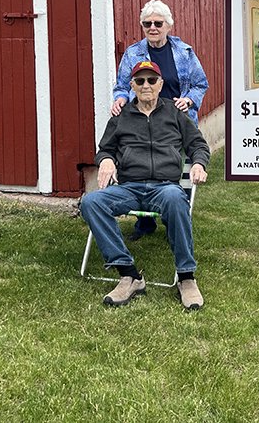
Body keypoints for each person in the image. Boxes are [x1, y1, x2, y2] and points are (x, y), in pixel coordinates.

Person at [81, 61, 210, 310]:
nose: (146, 85)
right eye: (140, 81)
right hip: (128, 187)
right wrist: (106, 160)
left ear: (161, 84)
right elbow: (105, 149)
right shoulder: (122, 117)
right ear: (132, 86)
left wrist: (199, 164)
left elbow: (198, 145)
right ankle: (129, 274)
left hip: (164, 187)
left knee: (176, 200)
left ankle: (186, 277)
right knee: (91, 202)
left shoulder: (175, 113)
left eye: (152, 80)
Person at [111, 0, 209, 240]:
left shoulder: (184, 52)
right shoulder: (133, 53)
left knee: (175, 169)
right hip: (142, 119)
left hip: (175, 122)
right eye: (147, 24)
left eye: (158, 23)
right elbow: (122, 86)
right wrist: (120, 99)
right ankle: (145, 223)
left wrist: (189, 100)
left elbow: (200, 83)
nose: (152, 27)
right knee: (141, 167)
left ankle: (174, 219)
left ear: (168, 25)